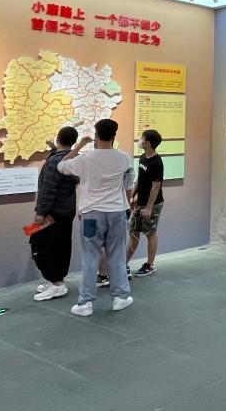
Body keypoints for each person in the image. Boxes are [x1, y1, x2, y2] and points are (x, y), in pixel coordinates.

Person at [58, 119, 134, 315]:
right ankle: (120, 297)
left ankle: (85, 303)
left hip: (91, 215)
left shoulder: (85, 159)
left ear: (96, 136)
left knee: (90, 258)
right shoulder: (125, 158)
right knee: (117, 256)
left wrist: (78, 147)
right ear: (114, 135)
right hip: (117, 213)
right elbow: (128, 184)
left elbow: (61, 166)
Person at [30, 126, 79, 301]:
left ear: (58, 139)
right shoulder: (74, 160)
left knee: (39, 243)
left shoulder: (54, 162)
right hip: (66, 211)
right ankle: (55, 281)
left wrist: (40, 213)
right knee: (60, 246)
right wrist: (53, 149)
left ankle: (57, 284)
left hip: (51, 214)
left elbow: (48, 189)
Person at [127, 129, 165, 277]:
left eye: (142, 138)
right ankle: (123, 264)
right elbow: (140, 178)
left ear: (147, 143)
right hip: (140, 203)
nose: (140, 140)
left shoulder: (156, 162)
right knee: (133, 232)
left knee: (150, 233)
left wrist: (149, 207)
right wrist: (132, 195)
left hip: (152, 205)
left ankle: (150, 265)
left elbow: (156, 186)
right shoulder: (143, 157)